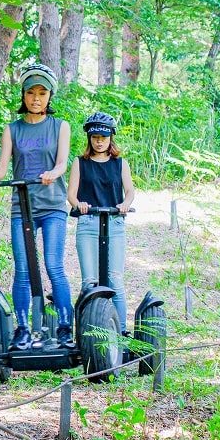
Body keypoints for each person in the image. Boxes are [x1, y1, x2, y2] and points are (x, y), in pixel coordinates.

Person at [0, 63, 74, 350]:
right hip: (21, 207)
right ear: (23, 95)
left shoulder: (61, 126)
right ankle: (22, 329)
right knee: (22, 269)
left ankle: (64, 326)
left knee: (53, 265)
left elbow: (62, 163)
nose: (36, 98)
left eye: (42, 93)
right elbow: (2, 165)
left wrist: (53, 174)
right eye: (31, 92)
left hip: (52, 206)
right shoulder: (12, 129)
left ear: (50, 97)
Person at [67, 111, 136, 335]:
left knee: (115, 279)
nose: (99, 142)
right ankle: (86, 333)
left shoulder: (120, 164)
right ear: (89, 138)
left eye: (103, 138)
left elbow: (130, 191)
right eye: (95, 137)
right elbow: (71, 195)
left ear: (110, 138)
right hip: (88, 223)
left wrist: (125, 204)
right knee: (90, 282)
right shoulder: (80, 162)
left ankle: (121, 332)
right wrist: (80, 204)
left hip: (114, 224)